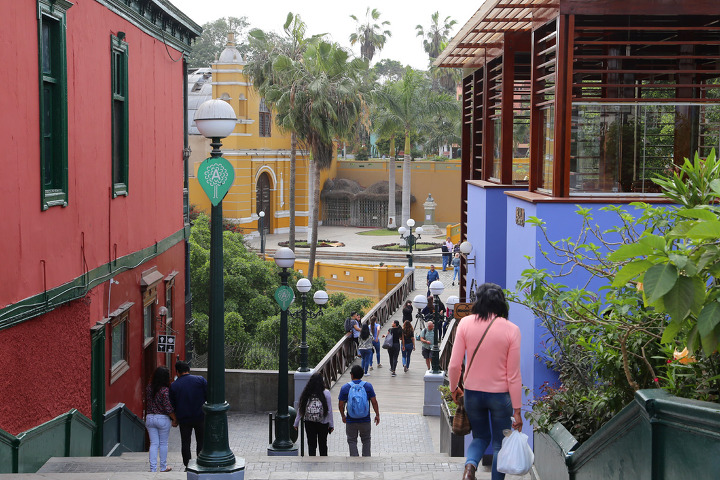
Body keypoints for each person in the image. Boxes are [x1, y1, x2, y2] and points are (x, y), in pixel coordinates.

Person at [448, 283, 522, 480]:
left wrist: (453, 387)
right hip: (500, 397)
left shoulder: (465, 323)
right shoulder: (512, 330)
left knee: (480, 437)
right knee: (500, 443)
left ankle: (470, 468)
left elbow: (455, 364)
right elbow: (513, 375)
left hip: (473, 393)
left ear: (478, 301)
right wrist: (517, 409)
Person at [170, 361, 207, 469]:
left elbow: (172, 404)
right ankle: (200, 461)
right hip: (200, 416)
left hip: (184, 418)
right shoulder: (200, 380)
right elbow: (208, 395)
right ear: (188, 369)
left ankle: (187, 464)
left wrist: (175, 419)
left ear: (177, 372)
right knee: (201, 440)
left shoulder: (174, 385)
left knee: (185, 442)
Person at [338, 365, 380, 456]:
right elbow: (374, 402)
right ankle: (366, 458)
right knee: (366, 440)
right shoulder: (368, 386)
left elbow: (341, 404)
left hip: (351, 419)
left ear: (351, 375)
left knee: (352, 440)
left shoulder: (345, 388)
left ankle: (354, 459)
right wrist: (377, 415)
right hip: (365, 419)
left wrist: (343, 416)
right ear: (362, 375)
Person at [145, 366, 177, 473]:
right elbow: (168, 407)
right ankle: (163, 467)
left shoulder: (149, 387)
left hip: (150, 417)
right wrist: (174, 419)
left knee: (153, 443)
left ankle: (152, 468)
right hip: (162, 418)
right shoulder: (165, 390)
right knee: (163, 443)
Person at [294, 373, 334, 456]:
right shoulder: (326, 393)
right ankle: (323, 461)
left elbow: (301, 408)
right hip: (323, 422)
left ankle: (312, 461)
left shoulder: (307, 393)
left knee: (311, 444)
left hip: (309, 422)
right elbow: (329, 410)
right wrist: (331, 425)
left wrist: (296, 423)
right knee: (322, 444)